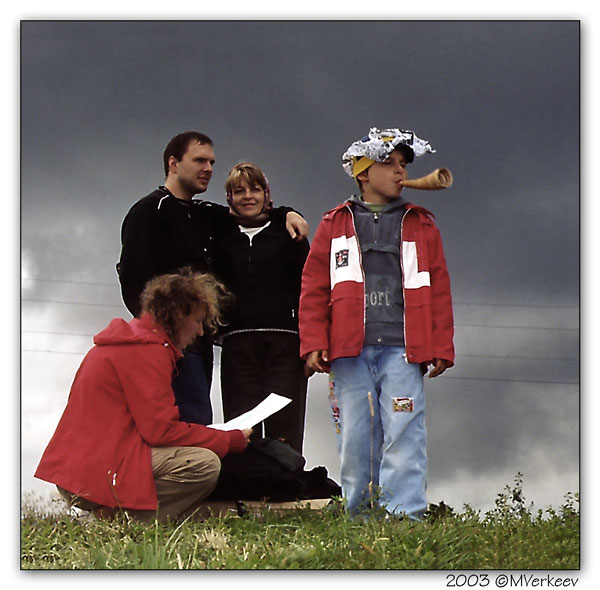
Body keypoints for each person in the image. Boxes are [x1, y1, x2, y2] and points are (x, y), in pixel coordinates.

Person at [299, 127, 455, 519]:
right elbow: (314, 287)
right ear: (363, 172)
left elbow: (438, 287)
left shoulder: (422, 223)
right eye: (389, 164)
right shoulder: (334, 223)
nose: (399, 172)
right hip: (349, 351)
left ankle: (405, 515)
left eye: (403, 165)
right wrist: (314, 340)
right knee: (357, 437)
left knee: (405, 431)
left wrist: (441, 345)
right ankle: (362, 516)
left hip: (405, 348)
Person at [117, 131, 309, 426]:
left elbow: (254, 213)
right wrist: (162, 334)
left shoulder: (207, 214)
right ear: (174, 163)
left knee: (199, 422)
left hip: (202, 341)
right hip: (166, 343)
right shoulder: (148, 212)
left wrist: (288, 213)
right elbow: (133, 283)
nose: (208, 168)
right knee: (177, 424)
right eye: (199, 160)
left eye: (211, 162)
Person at [35, 268, 252, 523]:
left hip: (78, 474)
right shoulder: (148, 352)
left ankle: (114, 515)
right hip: (99, 476)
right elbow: (160, 431)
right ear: (179, 315)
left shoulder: (125, 343)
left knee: (195, 454)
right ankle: (119, 522)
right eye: (197, 321)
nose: (201, 332)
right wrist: (227, 440)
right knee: (203, 464)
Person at [212, 162, 310, 453]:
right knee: (243, 427)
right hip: (237, 343)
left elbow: (308, 290)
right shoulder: (220, 237)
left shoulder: (289, 233)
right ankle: (245, 492)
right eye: (239, 191)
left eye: (255, 189)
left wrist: (312, 341)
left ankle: (286, 490)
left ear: (267, 194)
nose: (248, 197)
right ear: (229, 198)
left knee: (285, 428)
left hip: (285, 342)